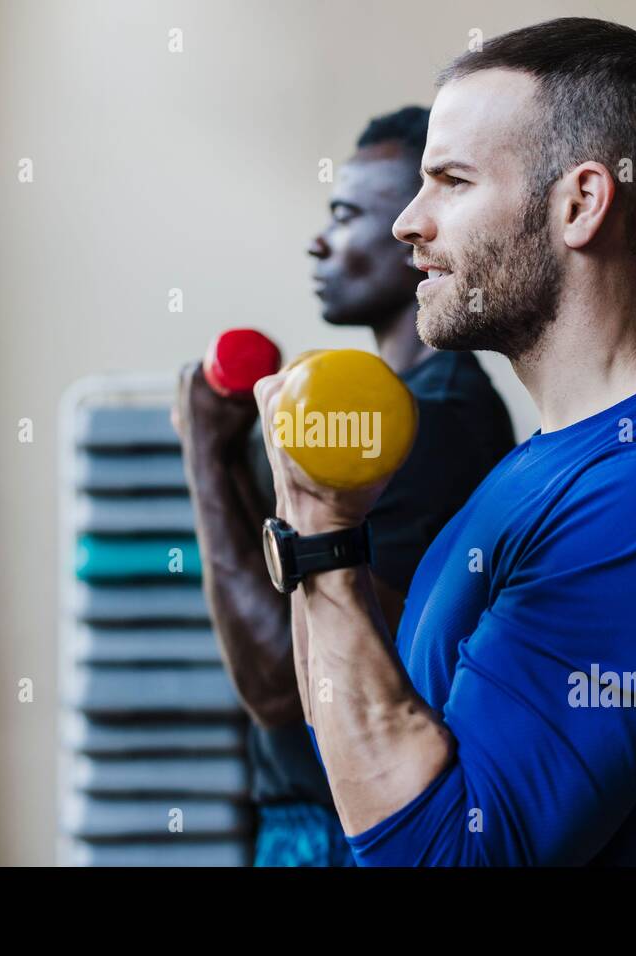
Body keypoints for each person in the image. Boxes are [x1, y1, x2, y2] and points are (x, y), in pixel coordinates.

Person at [253, 18, 636, 865]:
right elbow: (363, 730)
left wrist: (322, 527)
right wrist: (309, 530)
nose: (410, 221)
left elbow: (447, 859)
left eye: (450, 181)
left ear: (580, 204)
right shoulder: (547, 465)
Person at [172, 106, 516, 866]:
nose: (319, 240)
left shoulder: (432, 423)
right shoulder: (381, 412)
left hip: (348, 827)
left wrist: (201, 453)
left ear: (416, 234)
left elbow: (277, 689)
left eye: (346, 214)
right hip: (315, 815)